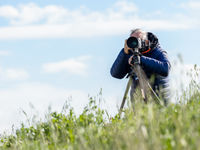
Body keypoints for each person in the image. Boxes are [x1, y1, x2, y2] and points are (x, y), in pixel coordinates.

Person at [110, 29, 171, 105]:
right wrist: (124, 53)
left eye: (138, 40)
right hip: (138, 104)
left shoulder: (157, 51)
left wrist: (141, 59)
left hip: (159, 101)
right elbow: (116, 74)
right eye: (132, 40)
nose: (135, 43)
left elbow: (165, 69)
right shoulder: (129, 53)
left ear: (146, 41)